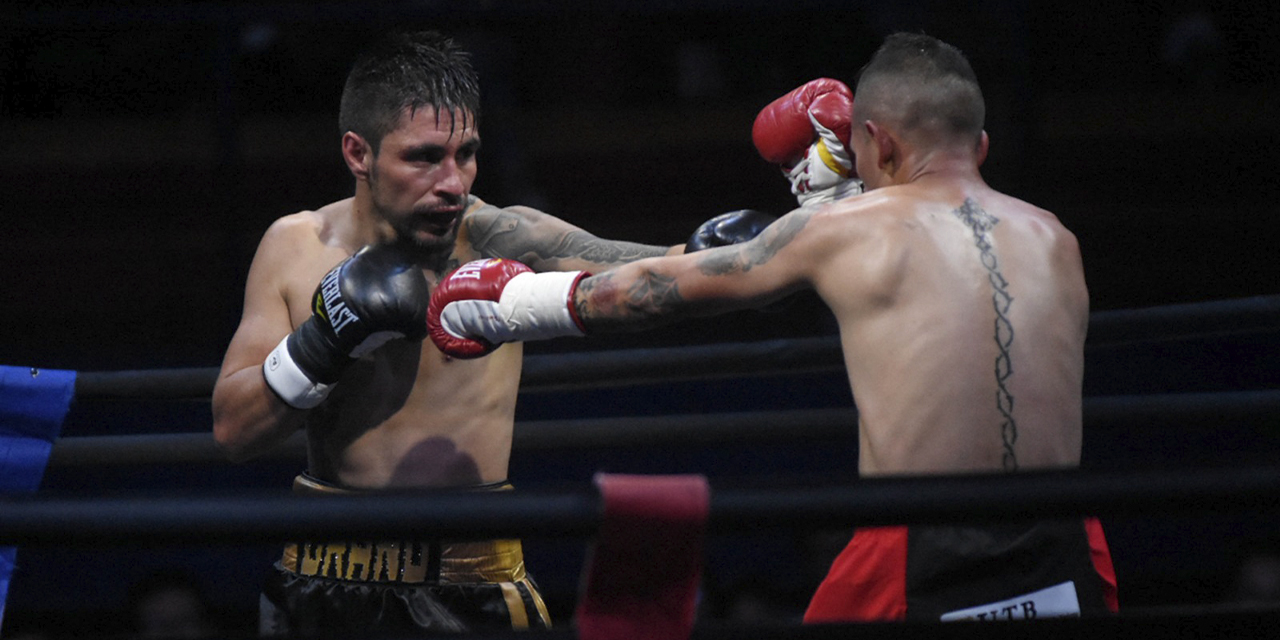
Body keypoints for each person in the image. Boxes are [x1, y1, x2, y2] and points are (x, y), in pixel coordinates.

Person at [429, 32, 1120, 622]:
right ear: (982, 143)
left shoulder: (842, 230)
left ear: (874, 141)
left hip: (919, 548)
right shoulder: (1056, 238)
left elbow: (651, 295)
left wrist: (514, 303)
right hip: (1070, 538)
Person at [210, 29, 772, 637]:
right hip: (320, 572)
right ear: (358, 153)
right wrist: (322, 341)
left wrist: (744, 257)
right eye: (424, 157)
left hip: (468, 583)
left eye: (467, 154)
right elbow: (233, 431)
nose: (453, 182)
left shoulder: (504, 240)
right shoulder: (295, 247)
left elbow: (653, 276)